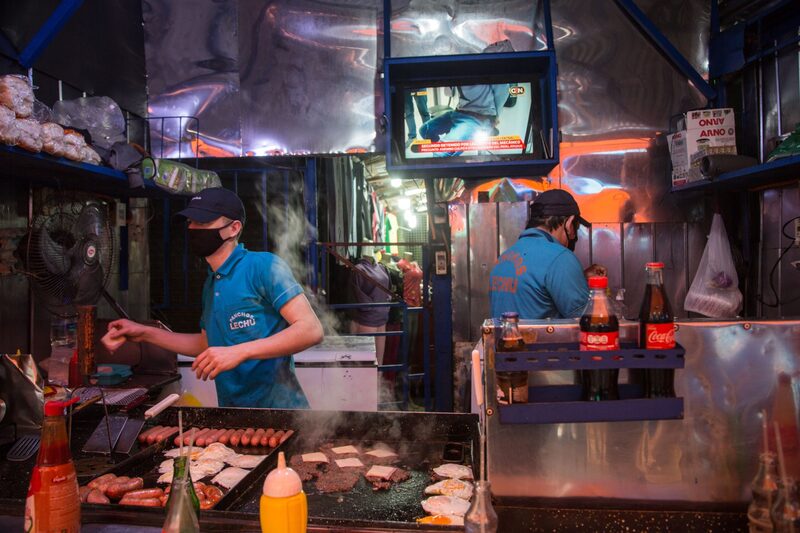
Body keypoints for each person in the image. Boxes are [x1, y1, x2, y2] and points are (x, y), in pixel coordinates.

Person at [106, 187, 323, 408]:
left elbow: (311, 330)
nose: (192, 228)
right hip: (233, 416)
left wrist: (240, 352)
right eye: (190, 222)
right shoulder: (212, 283)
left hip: (282, 413)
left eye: (202, 223)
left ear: (233, 228)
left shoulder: (263, 266)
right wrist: (143, 332)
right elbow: (207, 343)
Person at [489, 189, 607, 319]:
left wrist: (579, 278)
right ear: (569, 223)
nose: (574, 235)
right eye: (576, 227)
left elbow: (533, 296)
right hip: (543, 340)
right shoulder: (561, 258)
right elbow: (587, 321)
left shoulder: (504, 258)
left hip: (509, 338)